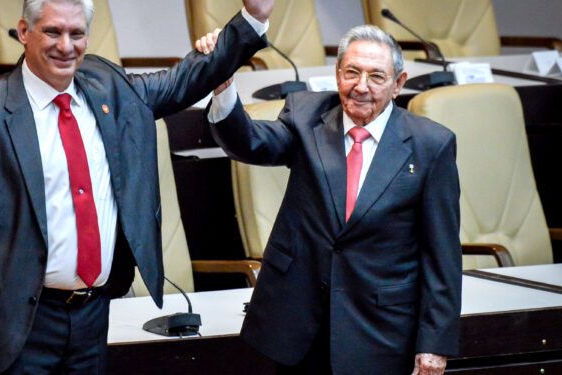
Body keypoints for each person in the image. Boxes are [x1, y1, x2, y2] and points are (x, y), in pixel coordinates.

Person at [0, 0, 273, 374]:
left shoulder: (109, 88)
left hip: (91, 316)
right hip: (14, 322)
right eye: (52, 32)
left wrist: (253, 19)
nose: (66, 46)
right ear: (24, 32)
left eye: (77, 34)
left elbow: (186, 79)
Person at [197, 25, 462, 375]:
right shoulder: (306, 116)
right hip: (299, 327)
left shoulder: (431, 145)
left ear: (398, 84)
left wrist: (434, 344)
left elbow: (441, 255)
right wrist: (223, 84)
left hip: (380, 331)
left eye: (376, 76)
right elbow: (249, 142)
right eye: (351, 72)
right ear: (337, 73)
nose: (361, 86)